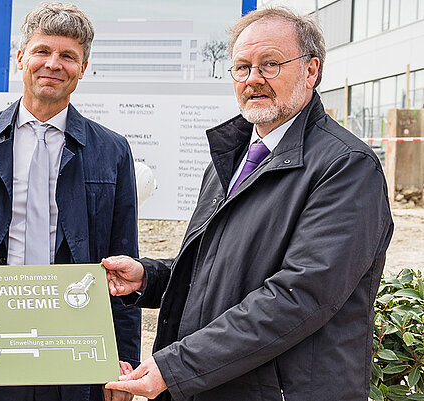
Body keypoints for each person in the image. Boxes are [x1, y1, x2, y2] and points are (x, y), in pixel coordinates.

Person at [103, 8, 394, 401]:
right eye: (242, 67)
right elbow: (221, 272)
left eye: (270, 64)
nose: (253, 79)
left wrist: (176, 366)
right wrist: (148, 278)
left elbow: (300, 296)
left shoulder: (346, 167)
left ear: (311, 71)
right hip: (219, 385)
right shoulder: (234, 155)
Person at [0, 2, 142, 400]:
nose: (53, 64)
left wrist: (124, 359)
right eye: (42, 51)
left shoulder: (112, 151)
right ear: (20, 58)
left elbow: (123, 263)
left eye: (68, 56)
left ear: (83, 68)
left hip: (73, 348)